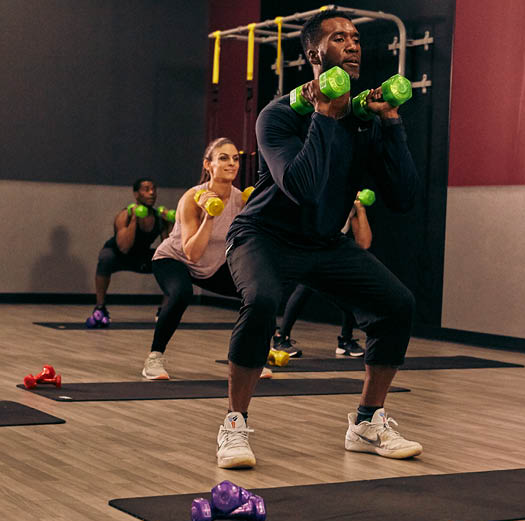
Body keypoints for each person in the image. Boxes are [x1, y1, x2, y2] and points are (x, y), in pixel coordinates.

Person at [216, 9, 421, 469]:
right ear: (314, 53)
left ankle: (367, 422)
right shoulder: (278, 116)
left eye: (355, 37)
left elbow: (405, 197)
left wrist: (391, 123)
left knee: (398, 303)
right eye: (338, 37)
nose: (352, 44)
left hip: (323, 242)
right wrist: (327, 116)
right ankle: (234, 425)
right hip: (263, 235)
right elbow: (303, 187)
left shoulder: (364, 118)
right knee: (264, 300)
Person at [142, 138, 272, 381]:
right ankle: (154, 357)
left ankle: (251, 358)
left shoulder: (240, 200)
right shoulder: (192, 198)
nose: (231, 164)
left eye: (235, 158)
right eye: (223, 158)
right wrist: (209, 217)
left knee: (259, 295)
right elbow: (191, 253)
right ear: (208, 165)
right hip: (174, 259)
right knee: (181, 294)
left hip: (212, 266)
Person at [272, 193, 373, 358]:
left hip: (331, 248)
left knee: (351, 289)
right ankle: (280, 338)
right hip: (307, 246)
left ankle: (345, 341)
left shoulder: (350, 203)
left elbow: (364, 243)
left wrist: (360, 210)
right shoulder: (320, 192)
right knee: (306, 286)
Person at [87, 178, 169, 326]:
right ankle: (100, 307)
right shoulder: (124, 216)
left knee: (171, 263)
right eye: (146, 189)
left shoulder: (159, 218)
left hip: (141, 256)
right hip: (118, 254)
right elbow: (124, 247)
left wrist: (169, 225)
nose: (152, 193)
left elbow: (167, 248)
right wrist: (134, 220)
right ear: (136, 194)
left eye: (153, 189)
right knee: (105, 258)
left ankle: (165, 310)